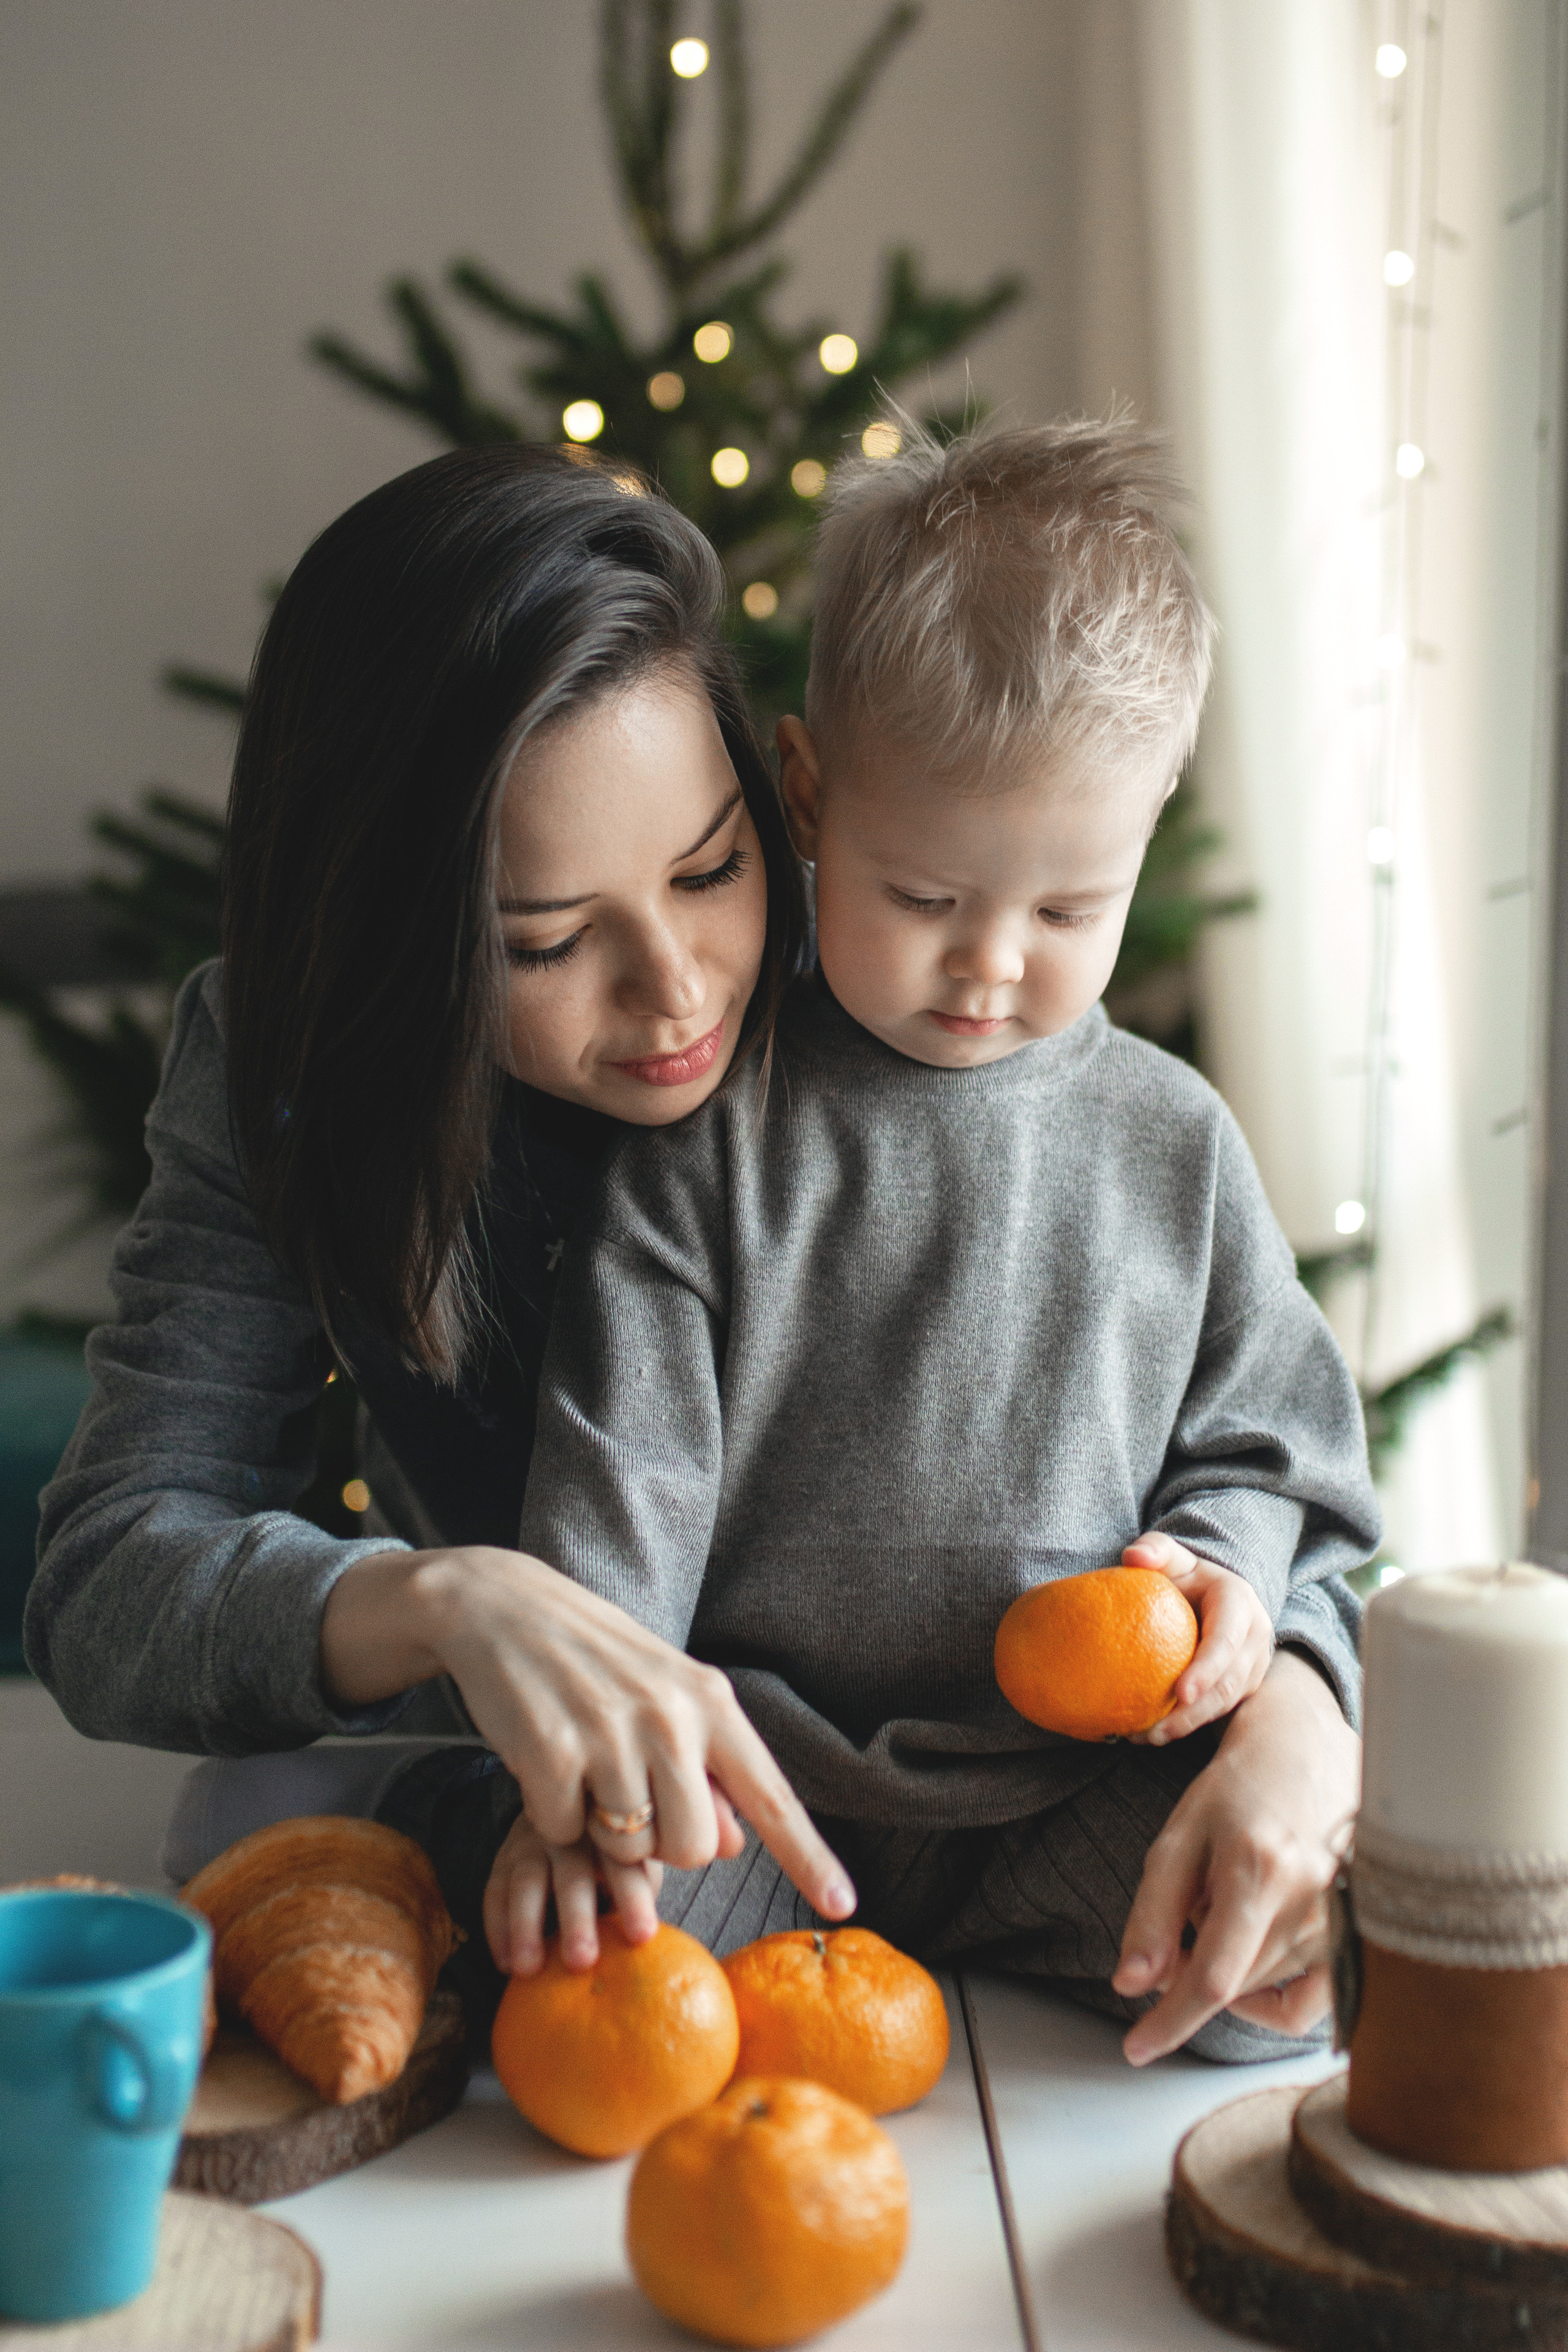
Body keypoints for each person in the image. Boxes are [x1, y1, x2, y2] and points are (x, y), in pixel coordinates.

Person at [510, 417, 1380, 2064]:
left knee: (1269, 1984)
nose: (990, 962)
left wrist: (1221, 1572)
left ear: (1144, 834)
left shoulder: (1173, 1140)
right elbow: (619, 1491)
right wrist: (593, 1773)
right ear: (809, 795)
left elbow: (1277, 1447)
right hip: (762, 1782)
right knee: (578, 1980)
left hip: (1072, 1786)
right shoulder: (712, 1139)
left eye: (1065, 911)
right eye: (923, 897)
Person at [26, 443, 858, 1989]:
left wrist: (1294, 1682)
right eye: (543, 943)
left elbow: (1204, 1412)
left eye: (710, 870)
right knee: (241, 1819)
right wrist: (445, 1598)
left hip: (913, 1811)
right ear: (388, 945)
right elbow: (106, 1582)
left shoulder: (888, 972)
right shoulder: (285, 1065)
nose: (676, 990)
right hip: (558, 1848)